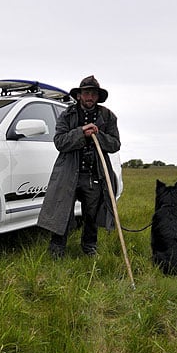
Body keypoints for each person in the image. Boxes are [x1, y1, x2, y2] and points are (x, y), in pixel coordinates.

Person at [37, 75, 121, 259]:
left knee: (91, 214)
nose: (89, 97)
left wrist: (98, 136)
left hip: (94, 175)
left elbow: (115, 144)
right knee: (63, 211)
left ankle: (89, 247)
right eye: (86, 93)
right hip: (69, 173)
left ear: (98, 96)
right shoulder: (67, 115)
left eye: (93, 93)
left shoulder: (107, 117)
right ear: (80, 95)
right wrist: (81, 132)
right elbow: (59, 142)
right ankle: (57, 248)